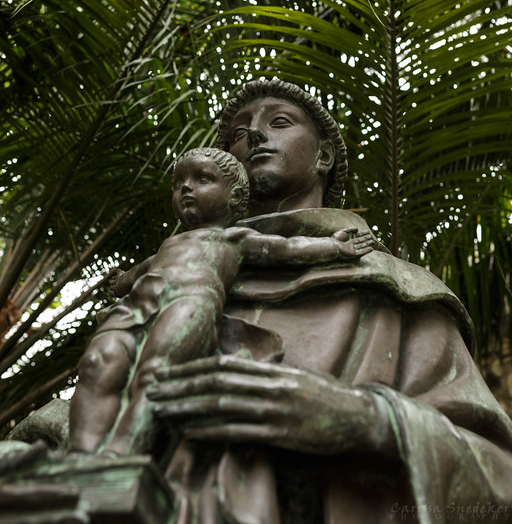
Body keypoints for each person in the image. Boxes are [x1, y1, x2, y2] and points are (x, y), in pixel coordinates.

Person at [148, 79, 512, 524]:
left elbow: (499, 479)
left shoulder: (401, 289)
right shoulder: (171, 278)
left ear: (324, 157)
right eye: (240, 133)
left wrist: (364, 420)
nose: (255, 134)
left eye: (280, 122)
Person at [68, 146, 374, 458]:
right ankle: (80, 454)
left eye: (202, 179)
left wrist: (333, 247)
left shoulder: (234, 240)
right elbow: (136, 275)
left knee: (157, 372)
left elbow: (287, 248)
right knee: (97, 364)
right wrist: (120, 281)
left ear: (236, 196)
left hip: (187, 303)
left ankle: (121, 455)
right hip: (136, 307)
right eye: (179, 184)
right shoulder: (167, 245)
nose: (186, 188)